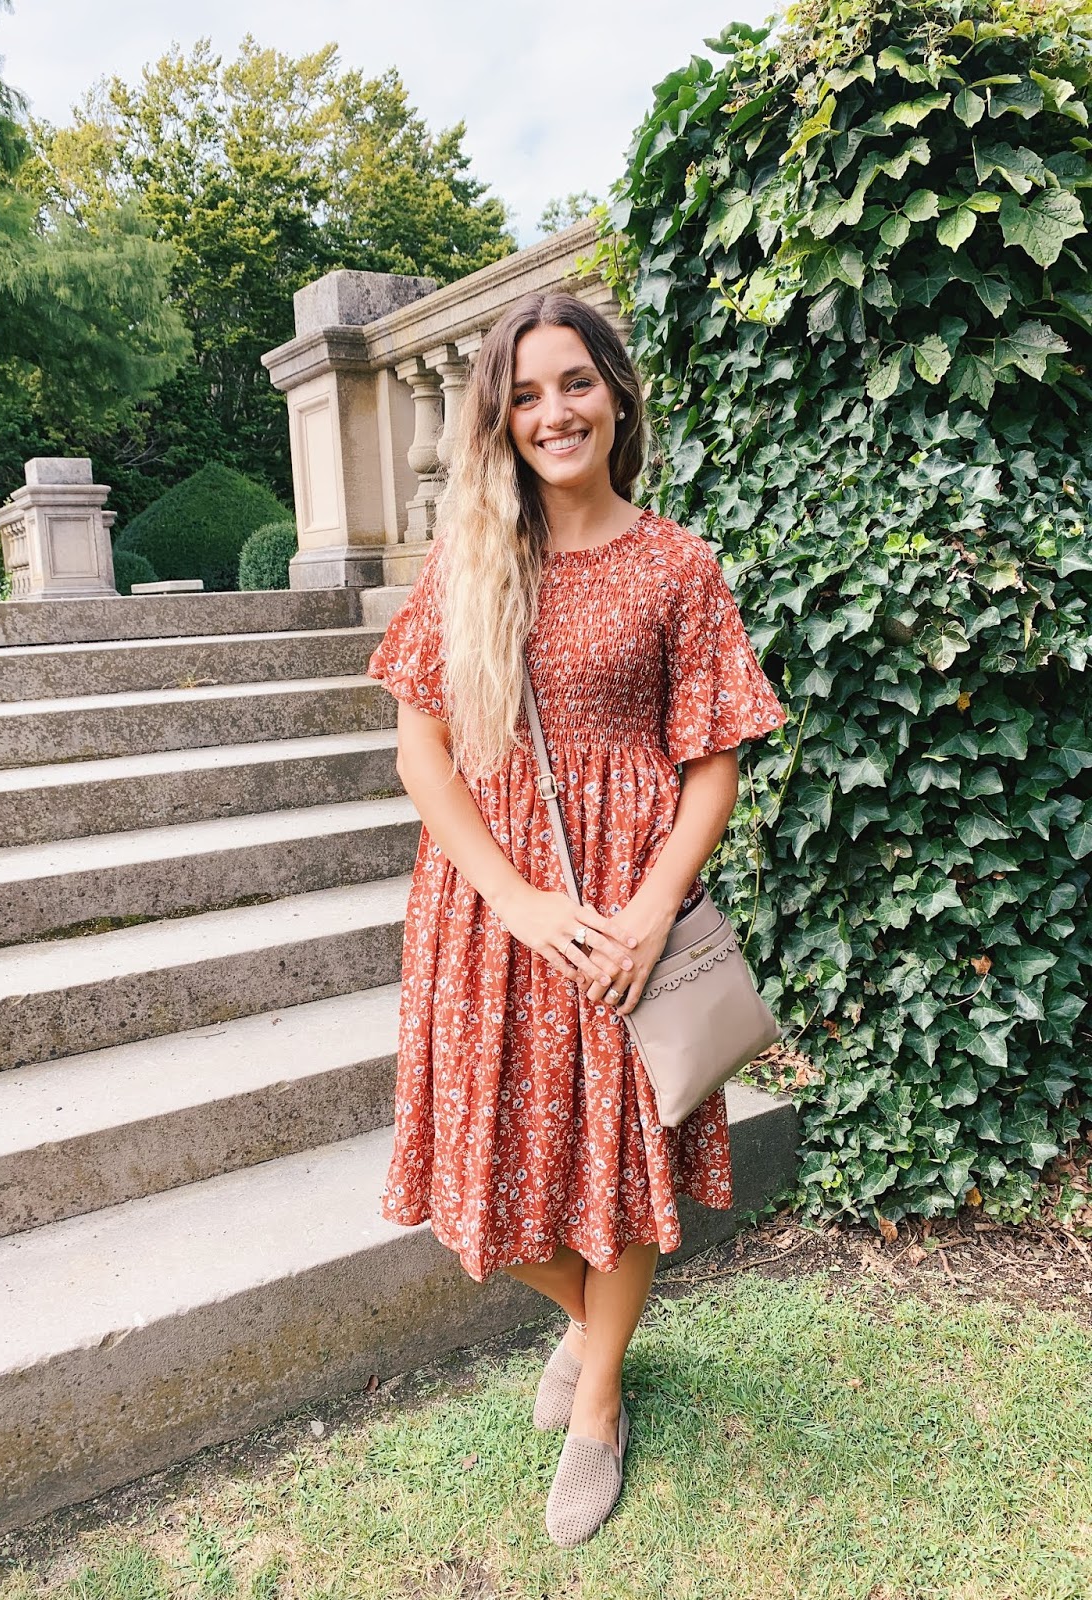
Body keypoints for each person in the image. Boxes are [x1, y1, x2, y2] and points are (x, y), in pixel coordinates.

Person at [366, 291, 786, 1545]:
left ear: (616, 392)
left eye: (576, 383)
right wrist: (518, 894)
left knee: (625, 1158)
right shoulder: (472, 556)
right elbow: (423, 751)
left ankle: (597, 1396)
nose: (555, 412)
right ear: (500, 417)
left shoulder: (677, 564)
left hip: (624, 921)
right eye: (528, 393)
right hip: (491, 909)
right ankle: (587, 1326)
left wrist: (652, 911)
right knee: (475, 1183)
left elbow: (713, 757)